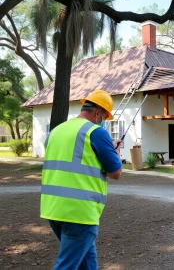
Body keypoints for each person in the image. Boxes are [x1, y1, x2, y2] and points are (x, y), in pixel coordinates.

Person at [40, 90, 122, 270]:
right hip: (79, 213)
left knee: (87, 262)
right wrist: (116, 151)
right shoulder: (96, 133)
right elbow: (115, 172)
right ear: (98, 112)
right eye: (103, 118)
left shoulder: (56, 131)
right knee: (67, 265)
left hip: (53, 209)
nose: (102, 122)